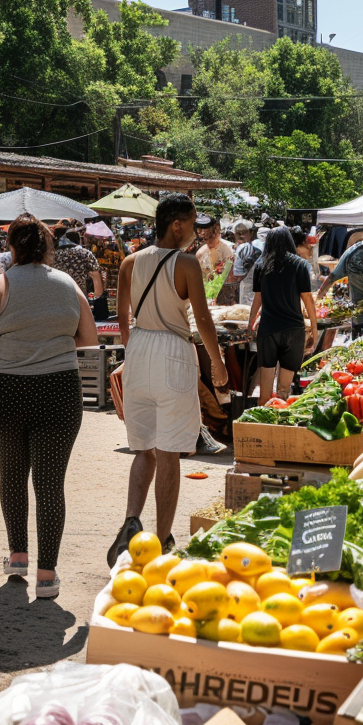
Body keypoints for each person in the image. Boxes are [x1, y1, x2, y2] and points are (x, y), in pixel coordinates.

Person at [0, 214, 97, 599]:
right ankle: (47, 576)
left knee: (12, 475)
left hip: (6, 392)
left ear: (11, 246)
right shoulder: (68, 285)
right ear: (48, 246)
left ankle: (17, 557)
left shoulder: (0, 285)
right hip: (59, 392)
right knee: (49, 484)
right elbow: (89, 337)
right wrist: (52, 342)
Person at [108, 194, 229, 566]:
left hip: (139, 350)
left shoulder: (130, 261)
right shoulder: (186, 263)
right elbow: (204, 320)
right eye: (193, 224)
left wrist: (134, 354)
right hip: (173, 352)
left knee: (143, 448)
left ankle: (131, 521)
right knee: (169, 453)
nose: (195, 232)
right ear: (176, 224)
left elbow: (122, 315)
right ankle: (161, 541)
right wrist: (218, 365)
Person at [248, 226, 318, 404]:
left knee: (264, 392)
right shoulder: (300, 265)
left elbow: (258, 299)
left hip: (268, 330)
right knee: (284, 391)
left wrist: (250, 323)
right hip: (293, 331)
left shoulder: (261, 265)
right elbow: (308, 299)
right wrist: (314, 329)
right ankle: (279, 427)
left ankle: (260, 428)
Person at [53, 227, 105, 301]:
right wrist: (96, 299)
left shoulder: (53, 255)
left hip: (58, 300)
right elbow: (96, 279)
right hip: (80, 301)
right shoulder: (86, 254)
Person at [231, 219, 265, 305]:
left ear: (250, 232)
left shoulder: (249, 247)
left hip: (252, 292)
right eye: (238, 233)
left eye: (244, 232)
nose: (241, 236)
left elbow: (238, 275)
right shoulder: (258, 245)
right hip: (252, 291)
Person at [194, 215, 235, 279]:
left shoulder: (228, 250)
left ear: (216, 229)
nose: (202, 233)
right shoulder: (200, 253)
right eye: (199, 229)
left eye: (205, 229)